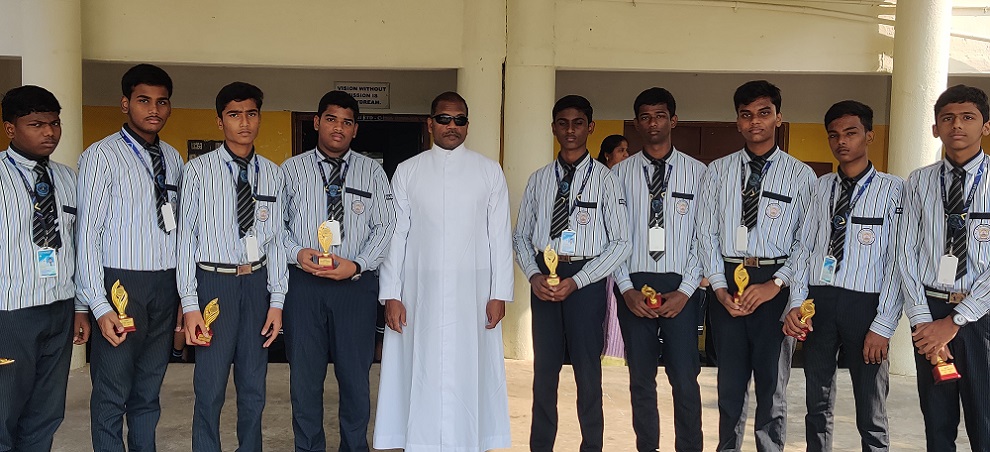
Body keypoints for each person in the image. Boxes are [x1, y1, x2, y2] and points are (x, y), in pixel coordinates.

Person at [373, 91, 513, 452]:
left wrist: (500, 293)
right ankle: (419, 441)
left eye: (460, 119)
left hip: (474, 294)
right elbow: (397, 235)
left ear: (467, 124)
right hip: (419, 293)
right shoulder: (408, 171)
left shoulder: (489, 171)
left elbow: (499, 236)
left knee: (470, 368)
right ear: (430, 123)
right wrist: (391, 294)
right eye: (445, 119)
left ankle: (468, 441)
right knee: (420, 366)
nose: (452, 126)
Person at [697, 80, 816, 451]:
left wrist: (775, 285)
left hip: (774, 283)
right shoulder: (717, 172)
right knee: (729, 386)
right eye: (746, 115)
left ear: (778, 118)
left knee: (772, 387)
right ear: (737, 121)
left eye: (764, 113)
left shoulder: (801, 176)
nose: (755, 122)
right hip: (727, 283)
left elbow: (806, 243)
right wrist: (719, 288)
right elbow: (705, 234)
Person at [76, 63, 184, 451]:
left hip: (164, 284)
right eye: (143, 100)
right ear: (125, 104)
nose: (154, 109)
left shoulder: (173, 158)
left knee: (148, 391)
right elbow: (87, 234)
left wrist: (182, 293)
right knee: (112, 391)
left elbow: (180, 229)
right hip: (119, 285)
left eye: (162, 102)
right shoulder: (101, 156)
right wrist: (96, 303)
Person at [514, 94, 630, 452]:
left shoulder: (606, 180)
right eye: (562, 123)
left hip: (585, 279)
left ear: (590, 127)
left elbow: (621, 242)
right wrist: (533, 275)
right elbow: (520, 236)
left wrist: (578, 280)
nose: (570, 130)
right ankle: (541, 446)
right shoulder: (539, 179)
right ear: (553, 128)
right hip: (544, 277)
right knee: (544, 373)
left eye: (577, 123)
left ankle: (591, 446)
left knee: (587, 372)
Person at [282, 90, 396, 451]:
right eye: (331, 119)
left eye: (347, 122)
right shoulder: (291, 170)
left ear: (355, 129)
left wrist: (357, 264)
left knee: (355, 381)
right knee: (305, 381)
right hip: (304, 287)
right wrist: (297, 252)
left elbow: (387, 226)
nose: (338, 128)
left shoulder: (372, 171)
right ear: (317, 122)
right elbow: (275, 228)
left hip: (355, 288)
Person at [785, 100, 902, 451]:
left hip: (865, 306)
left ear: (869, 135)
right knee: (816, 400)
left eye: (851, 133)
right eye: (834, 135)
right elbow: (804, 248)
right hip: (819, 302)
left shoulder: (895, 190)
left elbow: (898, 261)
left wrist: (883, 325)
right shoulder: (819, 187)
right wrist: (797, 302)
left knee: (871, 403)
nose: (841, 141)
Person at [177, 82, 287, 452]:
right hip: (214, 284)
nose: (244, 122)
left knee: (254, 385)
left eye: (251, 114)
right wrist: (190, 305)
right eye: (234, 114)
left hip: (256, 284)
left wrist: (277, 302)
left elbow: (277, 242)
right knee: (209, 386)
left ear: (260, 118)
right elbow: (185, 240)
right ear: (220, 121)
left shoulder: (273, 174)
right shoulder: (197, 171)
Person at [612, 87, 706, 452]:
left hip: (680, 287)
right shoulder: (618, 176)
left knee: (685, 377)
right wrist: (625, 288)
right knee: (641, 378)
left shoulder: (699, 174)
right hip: (634, 286)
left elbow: (704, 236)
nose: (653, 123)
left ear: (674, 121)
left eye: (660, 116)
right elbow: (613, 237)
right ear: (636, 123)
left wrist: (686, 290)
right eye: (645, 117)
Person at [898, 84, 990, 451]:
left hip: (982, 317)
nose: (957, 125)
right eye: (947, 118)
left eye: (968, 117)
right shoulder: (918, 182)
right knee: (937, 422)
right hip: (930, 312)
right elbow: (905, 253)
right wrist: (923, 321)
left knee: (985, 420)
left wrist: (955, 322)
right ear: (935, 128)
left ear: (986, 126)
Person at [0, 85, 89, 451]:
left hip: (59, 309)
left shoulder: (69, 179)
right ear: (10, 128)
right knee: (4, 409)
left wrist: (80, 308)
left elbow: (81, 247)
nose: (50, 132)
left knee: (47, 411)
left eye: (54, 123)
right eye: (36, 124)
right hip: (11, 312)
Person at [598, 133, 630, 365]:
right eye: (621, 150)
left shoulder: (627, 180)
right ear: (607, 155)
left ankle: (618, 355)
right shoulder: (598, 181)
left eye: (627, 150)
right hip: (600, 254)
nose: (626, 155)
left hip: (623, 255)